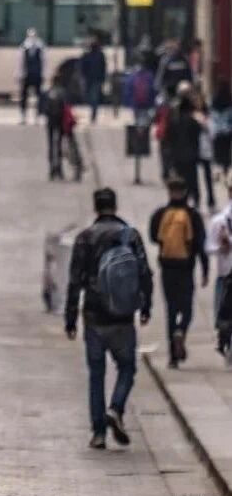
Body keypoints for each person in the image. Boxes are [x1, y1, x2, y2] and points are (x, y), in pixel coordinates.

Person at [66, 188, 152, 449]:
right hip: (123, 317)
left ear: (96, 207)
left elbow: (74, 281)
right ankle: (116, 407)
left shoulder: (85, 238)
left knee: (96, 375)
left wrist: (70, 318)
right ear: (115, 206)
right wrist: (146, 306)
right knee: (127, 367)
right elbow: (145, 273)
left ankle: (99, 433)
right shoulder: (130, 235)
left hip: (94, 316)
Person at [149, 176, 208, 367]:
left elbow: (153, 236)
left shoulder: (160, 213)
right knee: (187, 309)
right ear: (186, 193)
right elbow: (200, 244)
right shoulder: (192, 215)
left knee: (171, 310)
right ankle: (181, 330)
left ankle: (172, 358)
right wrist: (205, 269)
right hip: (186, 268)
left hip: (167, 268)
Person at [206, 174, 232, 355]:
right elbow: (209, 247)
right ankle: (225, 339)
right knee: (223, 314)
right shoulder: (219, 221)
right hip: (226, 273)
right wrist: (220, 247)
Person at [165, 93, 202, 206]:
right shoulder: (193, 122)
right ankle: (195, 200)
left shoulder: (173, 121)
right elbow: (198, 135)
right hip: (191, 156)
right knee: (193, 179)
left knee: (180, 179)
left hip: (177, 156)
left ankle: (181, 199)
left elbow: (168, 137)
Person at [192, 86, 216, 211]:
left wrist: (204, 124)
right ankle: (196, 199)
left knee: (207, 176)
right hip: (194, 148)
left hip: (205, 148)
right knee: (194, 177)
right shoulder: (190, 113)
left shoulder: (208, 114)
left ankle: (211, 200)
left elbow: (213, 132)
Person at [18, 28, 46, 123]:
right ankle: (23, 116)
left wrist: (43, 74)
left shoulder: (40, 47)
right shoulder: (24, 47)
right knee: (24, 96)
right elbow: (20, 62)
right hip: (26, 75)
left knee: (39, 96)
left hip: (37, 74)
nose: (32, 38)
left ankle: (37, 117)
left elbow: (44, 62)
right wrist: (20, 74)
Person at [44, 75, 68, 179]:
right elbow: (66, 106)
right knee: (58, 144)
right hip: (60, 121)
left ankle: (51, 169)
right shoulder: (62, 92)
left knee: (50, 144)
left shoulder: (48, 92)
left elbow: (43, 107)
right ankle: (59, 168)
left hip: (50, 121)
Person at [80, 36, 107, 123]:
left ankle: (93, 115)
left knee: (93, 97)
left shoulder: (94, 55)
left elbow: (103, 68)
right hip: (93, 79)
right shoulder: (96, 55)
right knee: (91, 97)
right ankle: (93, 113)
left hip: (93, 80)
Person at [211, 79, 232, 179]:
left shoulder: (215, 99)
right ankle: (225, 171)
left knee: (218, 152)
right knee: (226, 152)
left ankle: (217, 171)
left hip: (217, 131)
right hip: (227, 131)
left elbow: (212, 115)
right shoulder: (229, 99)